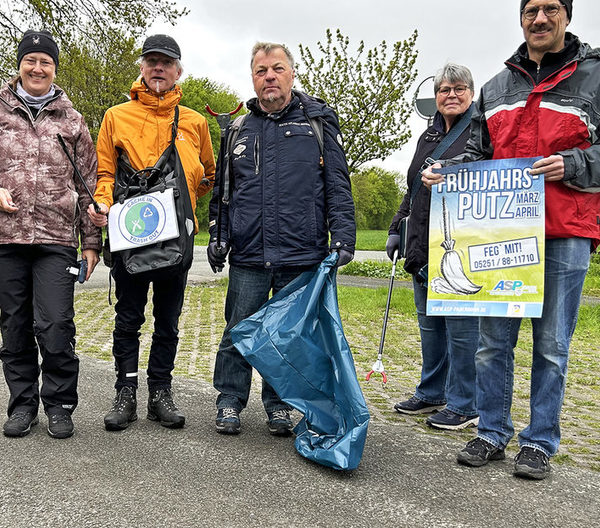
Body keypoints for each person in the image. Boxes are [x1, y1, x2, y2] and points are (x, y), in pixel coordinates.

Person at [422, 0, 600, 480]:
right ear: (520, 18)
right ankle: (491, 433)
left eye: (550, 10)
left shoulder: (595, 77)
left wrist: (576, 164)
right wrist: (448, 176)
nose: (539, 19)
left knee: (552, 345)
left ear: (566, 15)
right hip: (500, 236)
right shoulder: (497, 87)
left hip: (565, 232)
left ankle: (540, 441)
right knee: (492, 342)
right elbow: (478, 153)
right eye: (530, 11)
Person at [207, 42, 355, 436]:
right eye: (260, 71)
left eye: (276, 69)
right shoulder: (239, 129)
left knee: (289, 336)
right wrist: (217, 235)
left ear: (291, 73)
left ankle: (280, 406)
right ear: (253, 78)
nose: (269, 76)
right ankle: (229, 399)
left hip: (300, 252)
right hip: (250, 253)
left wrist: (343, 235)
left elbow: (337, 184)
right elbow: (224, 190)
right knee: (238, 328)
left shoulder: (318, 122)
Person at [87, 34, 215, 431]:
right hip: (130, 233)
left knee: (168, 319)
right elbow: (104, 173)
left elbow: (209, 175)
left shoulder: (195, 122)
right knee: (128, 318)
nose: (158, 68)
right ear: (141, 68)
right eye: (151, 61)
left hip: (177, 235)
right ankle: (125, 392)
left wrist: (183, 200)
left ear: (179, 71)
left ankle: (161, 392)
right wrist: (102, 204)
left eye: (166, 62)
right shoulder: (115, 116)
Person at [0, 30, 101, 439]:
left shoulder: (72, 120)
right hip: (6, 239)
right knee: (15, 327)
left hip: (56, 240)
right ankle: (23, 406)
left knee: (56, 325)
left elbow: (89, 185)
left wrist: (91, 244)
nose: (38, 68)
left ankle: (59, 404)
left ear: (54, 70)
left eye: (46, 62)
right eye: (31, 60)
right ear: (19, 64)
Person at [387, 63, 480, 430]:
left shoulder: (479, 131)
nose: (451, 95)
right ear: (436, 96)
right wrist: (396, 228)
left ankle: (464, 403)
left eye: (459, 89)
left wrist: (450, 170)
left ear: (471, 93)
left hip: (458, 245)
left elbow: (484, 172)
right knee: (430, 327)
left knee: (461, 329)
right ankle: (432, 391)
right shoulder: (427, 136)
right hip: (423, 246)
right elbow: (411, 189)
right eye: (444, 90)